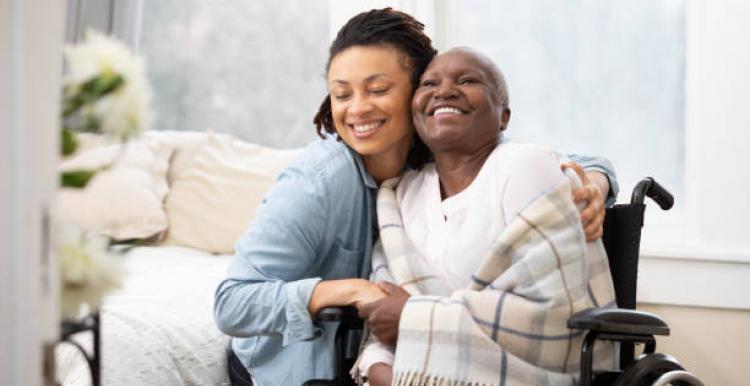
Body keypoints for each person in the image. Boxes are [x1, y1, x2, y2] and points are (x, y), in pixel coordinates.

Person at [214, 9, 617, 386]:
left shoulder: (437, 154)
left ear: (416, 92)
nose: (358, 109)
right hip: (296, 365)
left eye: (378, 89)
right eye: (342, 94)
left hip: (398, 352)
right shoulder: (318, 181)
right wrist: (351, 291)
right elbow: (232, 302)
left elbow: (552, 159)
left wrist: (594, 184)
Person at [358, 48, 617, 386]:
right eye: (429, 84)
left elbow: (553, 318)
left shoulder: (525, 167)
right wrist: (384, 372)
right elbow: (382, 323)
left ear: (504, 117)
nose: (445, 91)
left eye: (467, 80)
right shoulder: (401, 194)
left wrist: (413, 315)